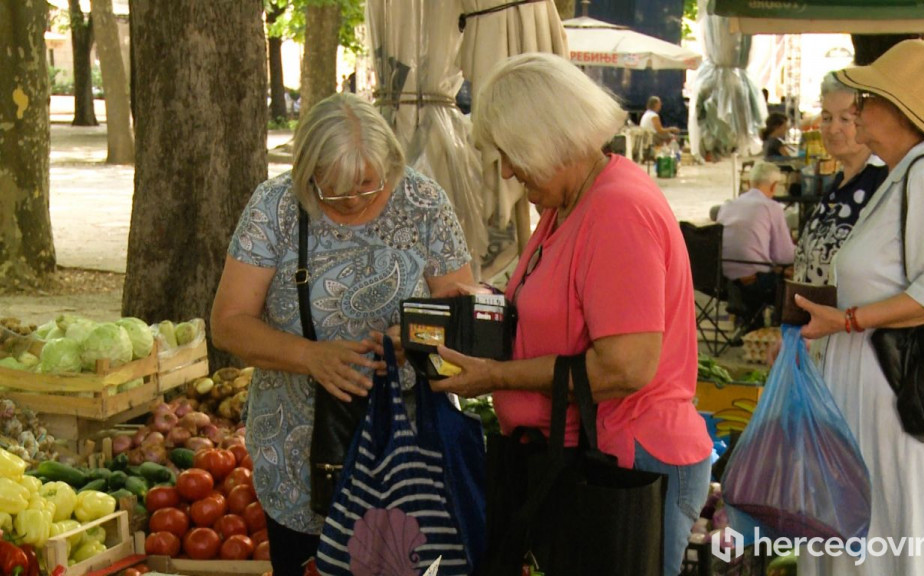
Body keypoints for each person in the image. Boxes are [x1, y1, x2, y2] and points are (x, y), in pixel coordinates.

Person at [431, 53, 712, 576]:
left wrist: (496, 375)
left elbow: (625, 367)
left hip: (624, 463)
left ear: (550, 138)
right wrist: (478, 304)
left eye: (513, 154)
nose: (509, 170)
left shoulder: (616, 211)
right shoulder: (570, 202)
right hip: (580, 460)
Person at [209, 93, 474, 575]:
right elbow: (228, 322)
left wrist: (411, 336)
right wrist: (309, 356)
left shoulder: (423, 203)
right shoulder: (275, 206)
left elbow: (464, 314)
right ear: (307, 173)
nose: (354, 201)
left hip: (407, 455)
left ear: (391, 166)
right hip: (298, 457)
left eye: (370, 187)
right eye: (334, 192)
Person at [794, 40, 924, 575]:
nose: (855, 113)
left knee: (890, 526)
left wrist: (846, 320)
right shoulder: (907, 172)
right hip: (877, 383)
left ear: (898, 109)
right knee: (876, 523)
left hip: (894, 389)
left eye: (866, 101)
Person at [792, 73, 888, 285]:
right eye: (826, 118)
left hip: (849, 316)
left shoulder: (883, 182)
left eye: (845, 119)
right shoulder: (838, 184)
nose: (832, 129)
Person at [715, 161, 795, 330]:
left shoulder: (728, 205)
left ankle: (748, 323)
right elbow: (785, 256)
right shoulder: (772, 207)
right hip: (756, 283)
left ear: (749, 183)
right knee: (792, 275)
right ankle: (775, 329)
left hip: (720, 280)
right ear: (774, 186)